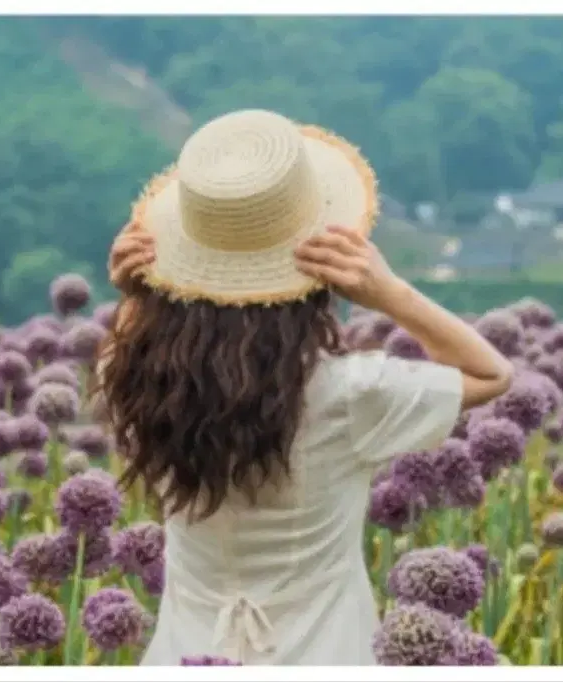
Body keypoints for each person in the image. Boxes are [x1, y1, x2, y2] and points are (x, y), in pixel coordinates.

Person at [95, 109, 513, 665]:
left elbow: (120, 350)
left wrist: (136, 293)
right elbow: (492, 373)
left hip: (184, 655)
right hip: (323, 653)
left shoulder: (140, 384)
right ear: (316, 277)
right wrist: (388, 292)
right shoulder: (348, 394)